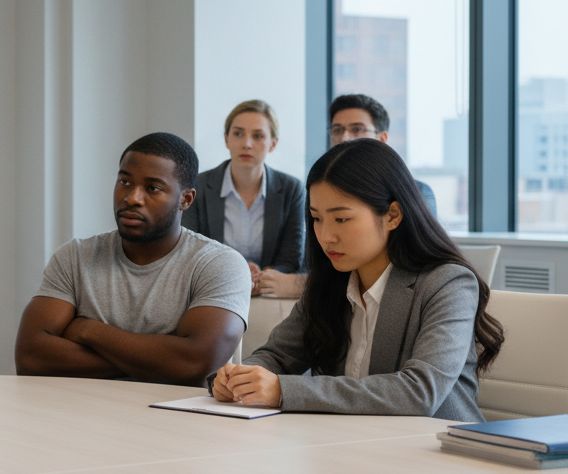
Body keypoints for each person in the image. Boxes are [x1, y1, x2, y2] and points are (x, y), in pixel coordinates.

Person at [211, 139, 504, 419]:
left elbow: (419, 392)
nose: (326, 236)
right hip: (349, 442)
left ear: (393, 215)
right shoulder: (331, 281)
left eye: (341, 219)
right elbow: (277, 356)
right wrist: (240, 378)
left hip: (437, 446)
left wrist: (283, 390)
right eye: (317, 218)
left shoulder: (448, 284)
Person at [15, 132, 251, 385]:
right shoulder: (74, 256)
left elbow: (194, 363)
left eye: (152, 188)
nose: (132, 198)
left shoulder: (220, 264)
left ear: (185, 199)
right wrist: (158, 363)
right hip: (81, 406)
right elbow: (30, 357)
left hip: (171, 411)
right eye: (125, 182)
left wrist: (87, 330)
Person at [255, 92, 439, 299]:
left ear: (382, 139)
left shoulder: (415, 193)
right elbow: (318, 262)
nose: (344, 138)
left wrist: (300, 285)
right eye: (337, 130)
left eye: (357, 129)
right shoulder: (320, 189)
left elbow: (412, 267)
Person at [182, 100, 305, 295]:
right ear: (226, 139)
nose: (247, 144)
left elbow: (291, 260)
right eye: (238, 134)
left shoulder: (292, 189)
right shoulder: (198, 186)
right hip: (211, 290)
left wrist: (260, 278)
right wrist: (235, 273)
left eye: (258, 136)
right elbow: (190, 252)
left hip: (267, 294)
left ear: (273, 144)